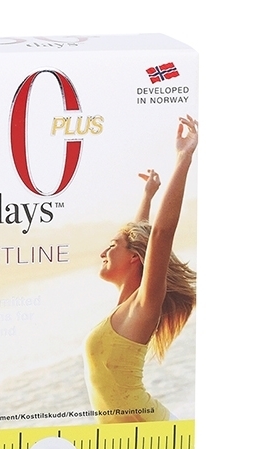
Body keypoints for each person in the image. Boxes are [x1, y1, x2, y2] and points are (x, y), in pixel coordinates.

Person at [84, 115, 198, 423]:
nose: (103, 252)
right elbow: (140, 237)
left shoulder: (145, 305)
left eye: (112, 245)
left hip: (153, 432)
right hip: (133, 435)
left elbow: (159, 235)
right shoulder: (126, 308)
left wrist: (183, 157)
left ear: (134, 258)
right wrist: (147, 196)